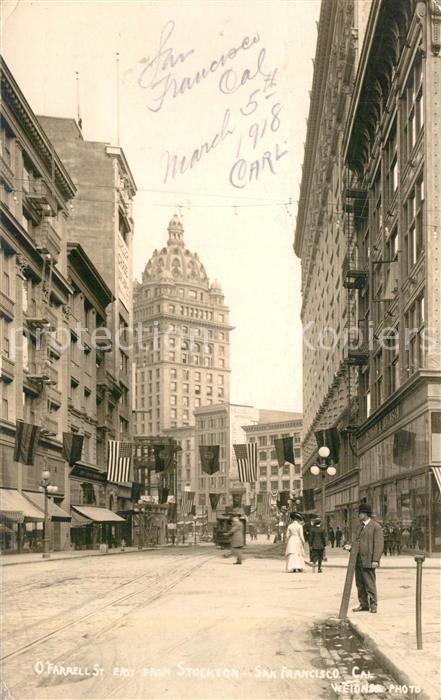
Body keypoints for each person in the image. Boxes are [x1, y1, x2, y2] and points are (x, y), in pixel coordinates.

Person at [348, 503, 384, 614]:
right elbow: (355, 541)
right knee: (360, 584)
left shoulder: (376, 527)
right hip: (357, 560)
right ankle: (363, 604)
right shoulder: (359, 527)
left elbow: (379, 545)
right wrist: (349, 546)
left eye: (360, 513)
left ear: (366, 514)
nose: (359, 515)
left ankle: (373, 605)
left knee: (370, 584)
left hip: (369, 560)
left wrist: (376, 560)